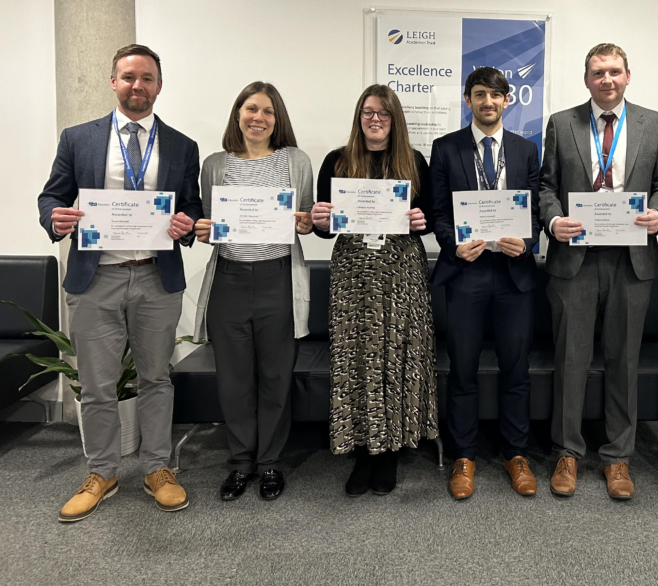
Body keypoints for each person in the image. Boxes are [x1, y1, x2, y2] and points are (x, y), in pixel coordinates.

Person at [38, 44, 201, 522]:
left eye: (147, 78)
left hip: (156, 276)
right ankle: (102, 472)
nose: (138, 86)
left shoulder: (180, 145)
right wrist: (56, 218)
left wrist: (185, 222)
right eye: (129, 77)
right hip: (95, 279)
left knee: (156, 378)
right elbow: (52, 195)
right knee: (96, 385)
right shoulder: (78, 138)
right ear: (113, 82)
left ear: (159, 85)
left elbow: (191, 205)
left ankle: (157, 468)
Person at [539, 42, 658, 500]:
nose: (607, 80)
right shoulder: (561, 123)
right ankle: (566, 452)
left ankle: (618, 458)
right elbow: (546, 186)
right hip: (575, 260)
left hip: (631, 259)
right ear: (586, 79)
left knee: (625, 361)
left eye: (614, 71)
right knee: (570, 360)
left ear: (628, 76)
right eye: (598, 72)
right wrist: (554, 221)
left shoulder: (653, 123)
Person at [311, 84, 437, 496]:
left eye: (383, 112)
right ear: (358, 117)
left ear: (395, 118)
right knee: (357, 355)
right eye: (367, 112)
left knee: (398, 353)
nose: (375, 119)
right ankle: (363, 448)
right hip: (353, 272)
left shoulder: (414, 161)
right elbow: (325, 229)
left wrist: (422, 219)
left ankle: (390, 451)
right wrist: (321, 218)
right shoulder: (336, 161)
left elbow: (432, 218)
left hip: (401, 271)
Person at [192, 82, 315, 502]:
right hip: (228, 279)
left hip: (276, 278)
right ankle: (240, 462)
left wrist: (305, 224)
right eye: (250, 109)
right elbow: (210, 225)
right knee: (233, 379)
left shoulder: (296, 161)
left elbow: (308, 219)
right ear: (238, 114)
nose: (258, 118)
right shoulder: (214, 165)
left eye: (267, 111)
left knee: (275, 377)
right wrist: (203, 230)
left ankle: (269, 464)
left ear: (277, 119)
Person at [430, 67, 542, 500]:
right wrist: (454, 245)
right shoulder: (446, 149)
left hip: (513, 273)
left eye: (496, 95)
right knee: (463, 368)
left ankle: (516, 454)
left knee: (517, 368)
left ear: (508, 100)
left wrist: (527, 240)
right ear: (467, 100)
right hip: (467, 271)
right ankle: (464, 456)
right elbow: (439, 212)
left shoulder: (526, 150)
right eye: (479, 95)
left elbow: (533, 211)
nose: (488, 102)